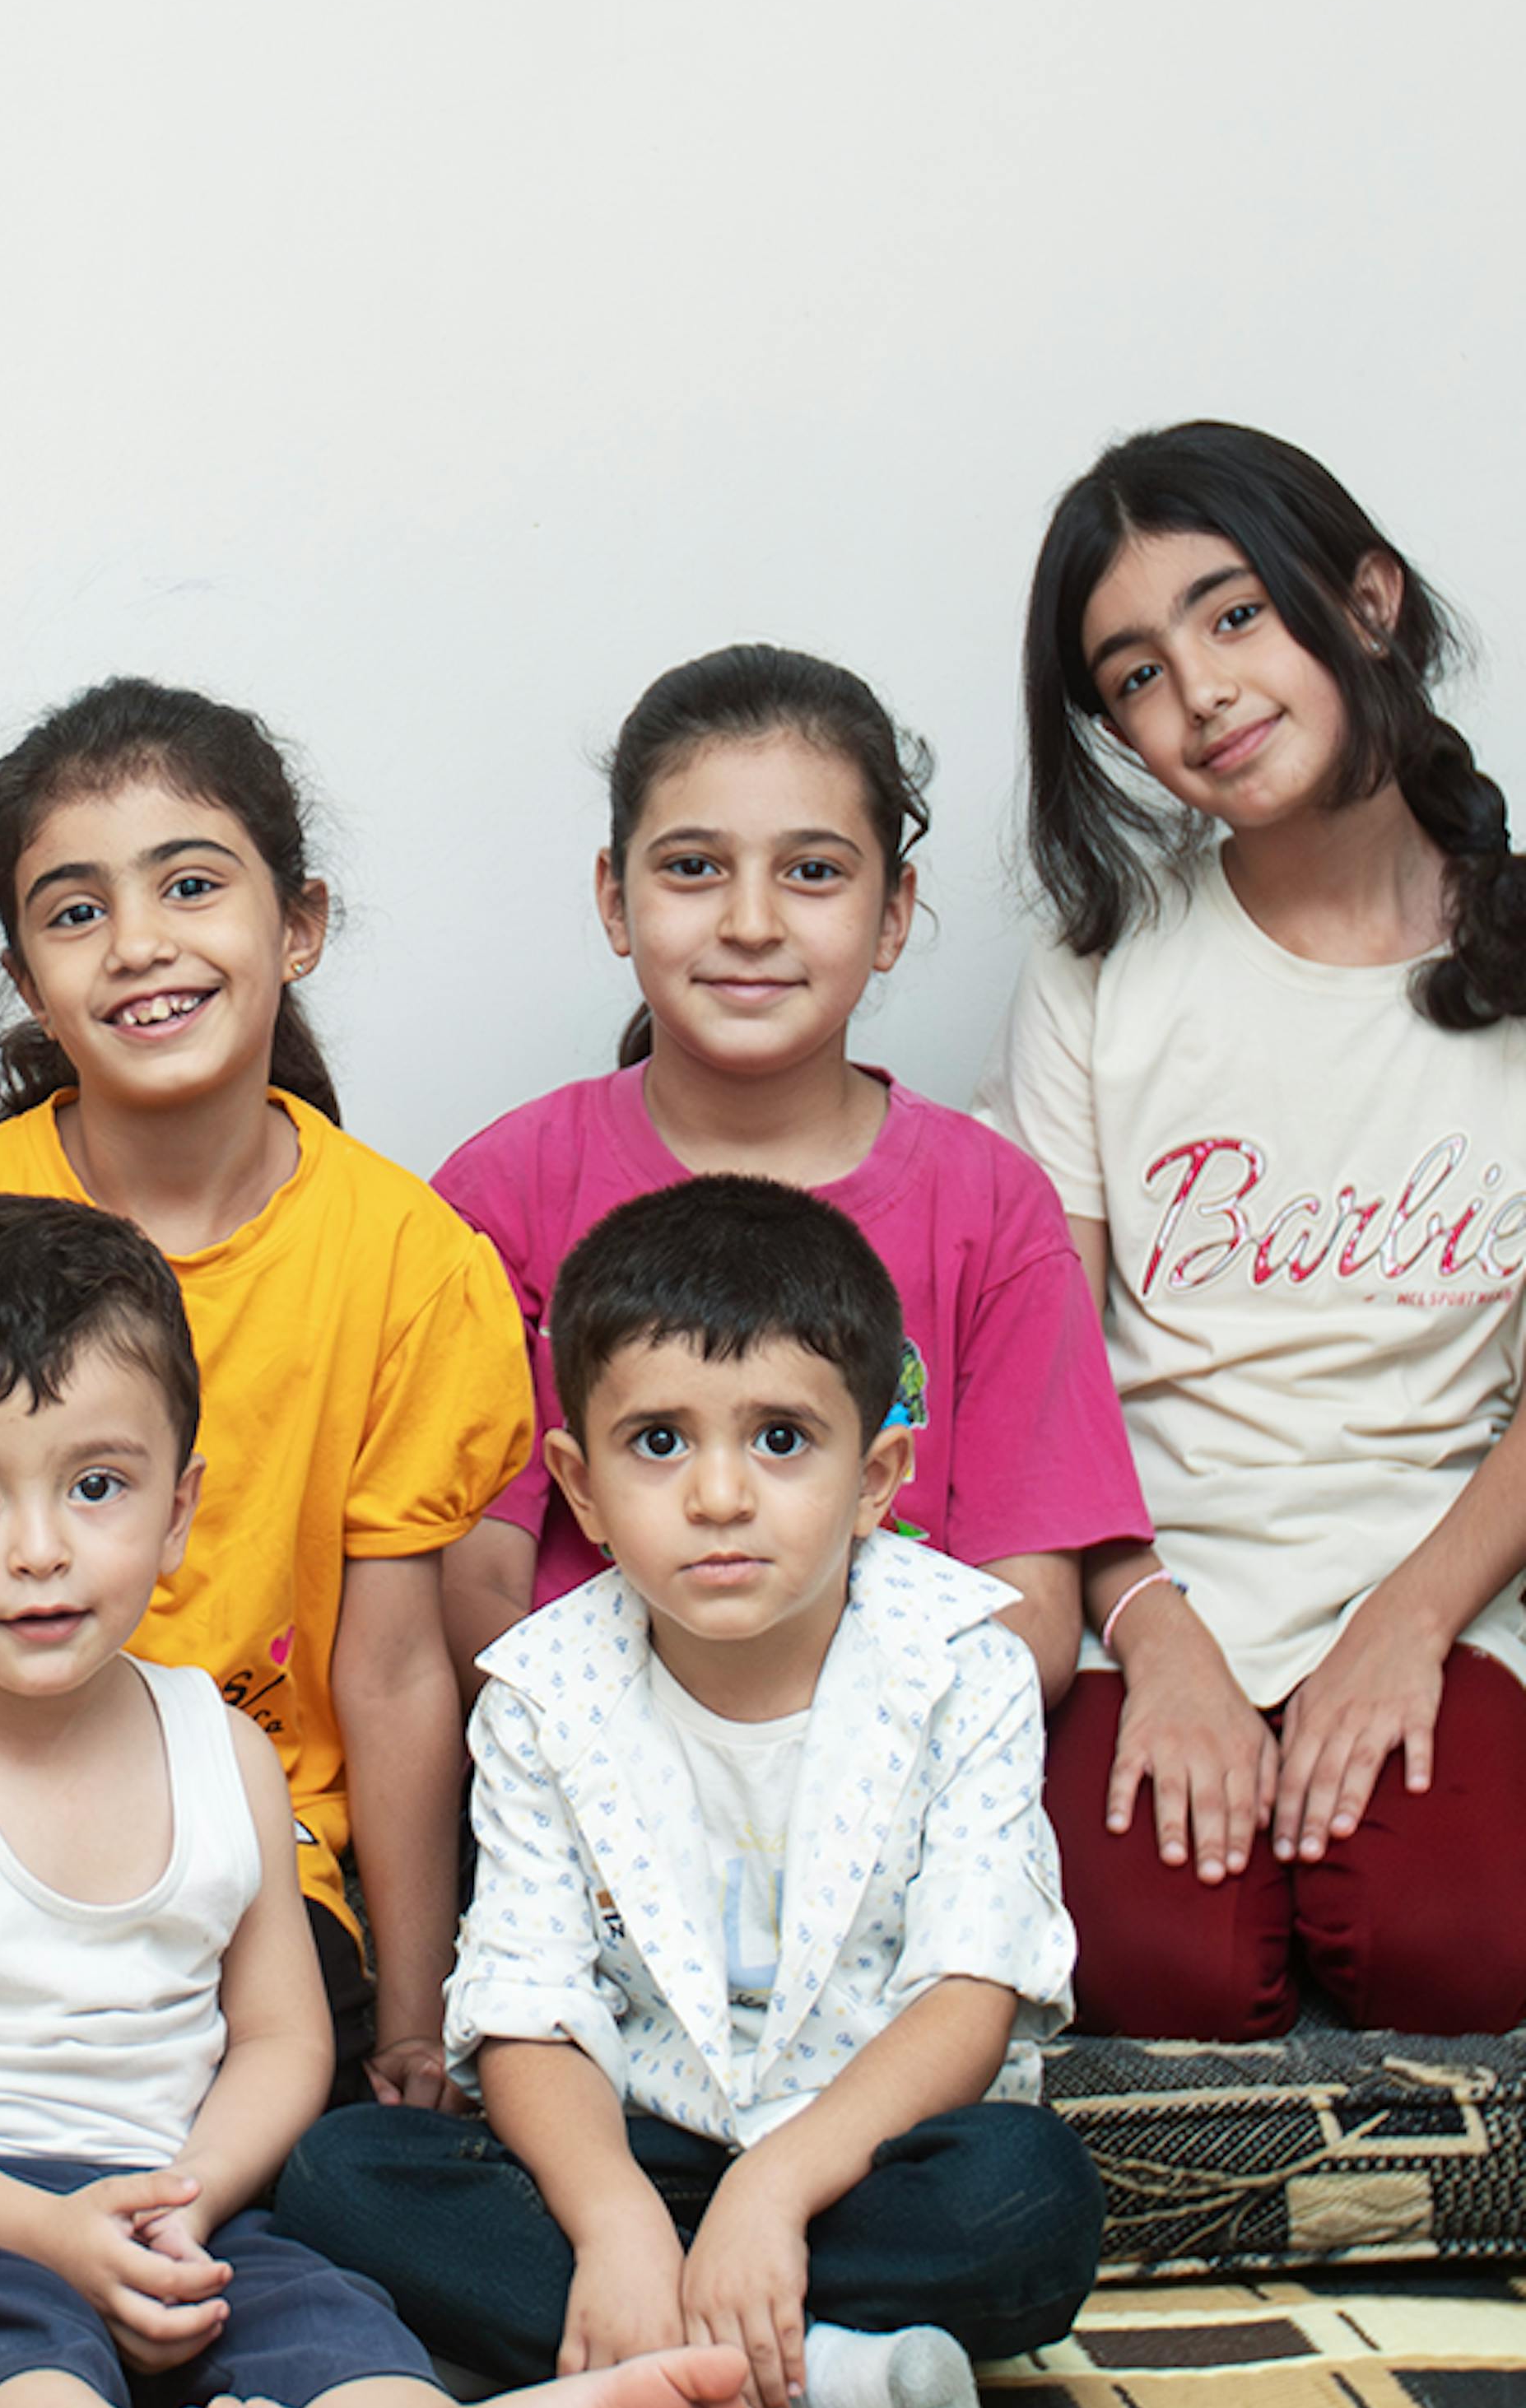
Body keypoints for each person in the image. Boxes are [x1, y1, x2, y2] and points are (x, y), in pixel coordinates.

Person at [0, 1190, 756, 2408]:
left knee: (314, 2309)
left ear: (181, 1512)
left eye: (95, 1488)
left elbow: (287, 2036)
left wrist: (193, 2196)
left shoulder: (218, 1746)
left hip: (183, 2193)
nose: (39, 1548)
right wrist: (48, 2230)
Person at [277, 1177, 1102, 2408]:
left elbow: (970, 1991)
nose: (719, 1495)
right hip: (642, 2154)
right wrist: (613, 2225)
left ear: (878, 1474)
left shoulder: (963, 1664)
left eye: (781, 1440)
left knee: (1030, 2196)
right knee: (340, 2175)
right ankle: (812, 2376)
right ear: (581, 1486)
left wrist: (775, 2195)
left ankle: (654, 2356)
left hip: (866, 2156)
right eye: (659, 1444)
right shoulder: (546, 1692)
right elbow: (531, 2012)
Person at [0, 678, 531, 2111]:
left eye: (193, 885)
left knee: (326, 2176)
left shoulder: (411, 1261)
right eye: (75, 909)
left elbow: (396, 1671)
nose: (139, 944)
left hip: (269, 1881)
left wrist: (415, 2020)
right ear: (29, 978)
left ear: (298, 924)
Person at [983, 420, 1526, 2037]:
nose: (1201, 692)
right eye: (1135, 673)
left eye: (1233, 618)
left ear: (1365, 602)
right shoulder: (1100, 968)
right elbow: (1049, 1369)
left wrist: (1409, 1628)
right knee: (1158, 1975)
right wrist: (1152, 1632)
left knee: (1454, 1954)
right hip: (1161, 1577)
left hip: (1445, 1576)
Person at [437, 645, 1144, 1712]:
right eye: (693, 868)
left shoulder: (992, 1206)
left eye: (812, 871)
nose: (752, 923)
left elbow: (1029, 1614)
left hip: (901, 1800)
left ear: (894, 911)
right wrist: (644, 1753)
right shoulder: (506, 1194)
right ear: (615, 897)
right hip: (596, 1803)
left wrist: (829, 1767)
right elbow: (474, 1576)